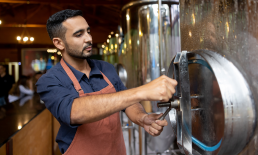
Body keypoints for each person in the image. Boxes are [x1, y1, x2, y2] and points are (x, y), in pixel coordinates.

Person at [36, 9, 178, 155]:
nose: (89, 38)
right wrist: (142, 91)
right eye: (79, 34)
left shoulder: (106, 68)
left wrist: (141, 117)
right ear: (59, 43)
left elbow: (128, 101)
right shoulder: (49, 81)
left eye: (88, 31)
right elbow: (75, 112)